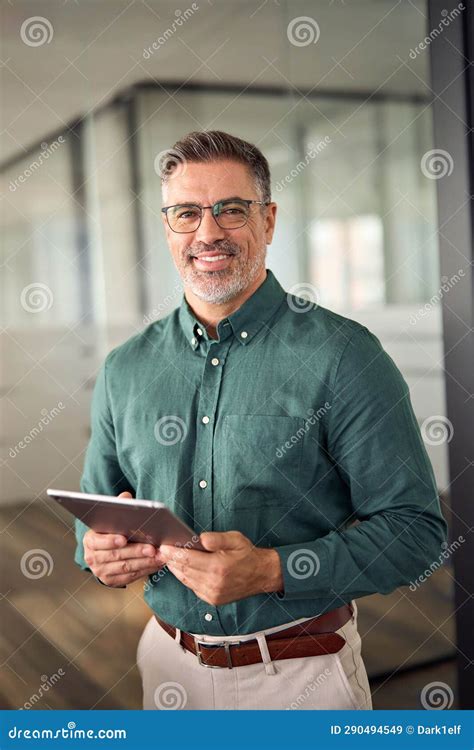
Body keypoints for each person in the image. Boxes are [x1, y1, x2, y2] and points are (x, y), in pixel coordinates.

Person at [75, 130, 447, 710]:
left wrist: (275, 570)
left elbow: (417, 534)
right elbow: (94, 513)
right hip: (166, 665)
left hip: (300, 677)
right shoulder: (125, 367)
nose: (208, 232)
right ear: (167, 227)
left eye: (231, 209)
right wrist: (96, 553)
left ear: (268, 221)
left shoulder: (345, 355)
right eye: (186, 213)